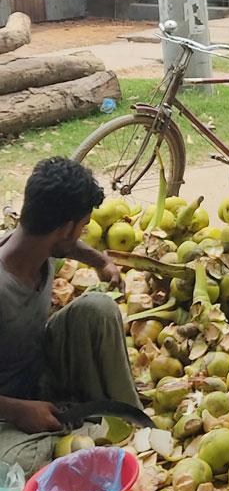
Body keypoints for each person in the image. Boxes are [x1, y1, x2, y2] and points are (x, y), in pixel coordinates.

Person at [0, 157, 140, 474]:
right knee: (22, 464)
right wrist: (18, 410)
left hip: (40, 369)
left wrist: (100, 261)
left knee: (99, 308)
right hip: (6, 409)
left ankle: (129, 417)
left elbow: (69, 247)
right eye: (82, 228)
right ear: (65, 228)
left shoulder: (39, 243)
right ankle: (75, 435)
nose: (81, 236)